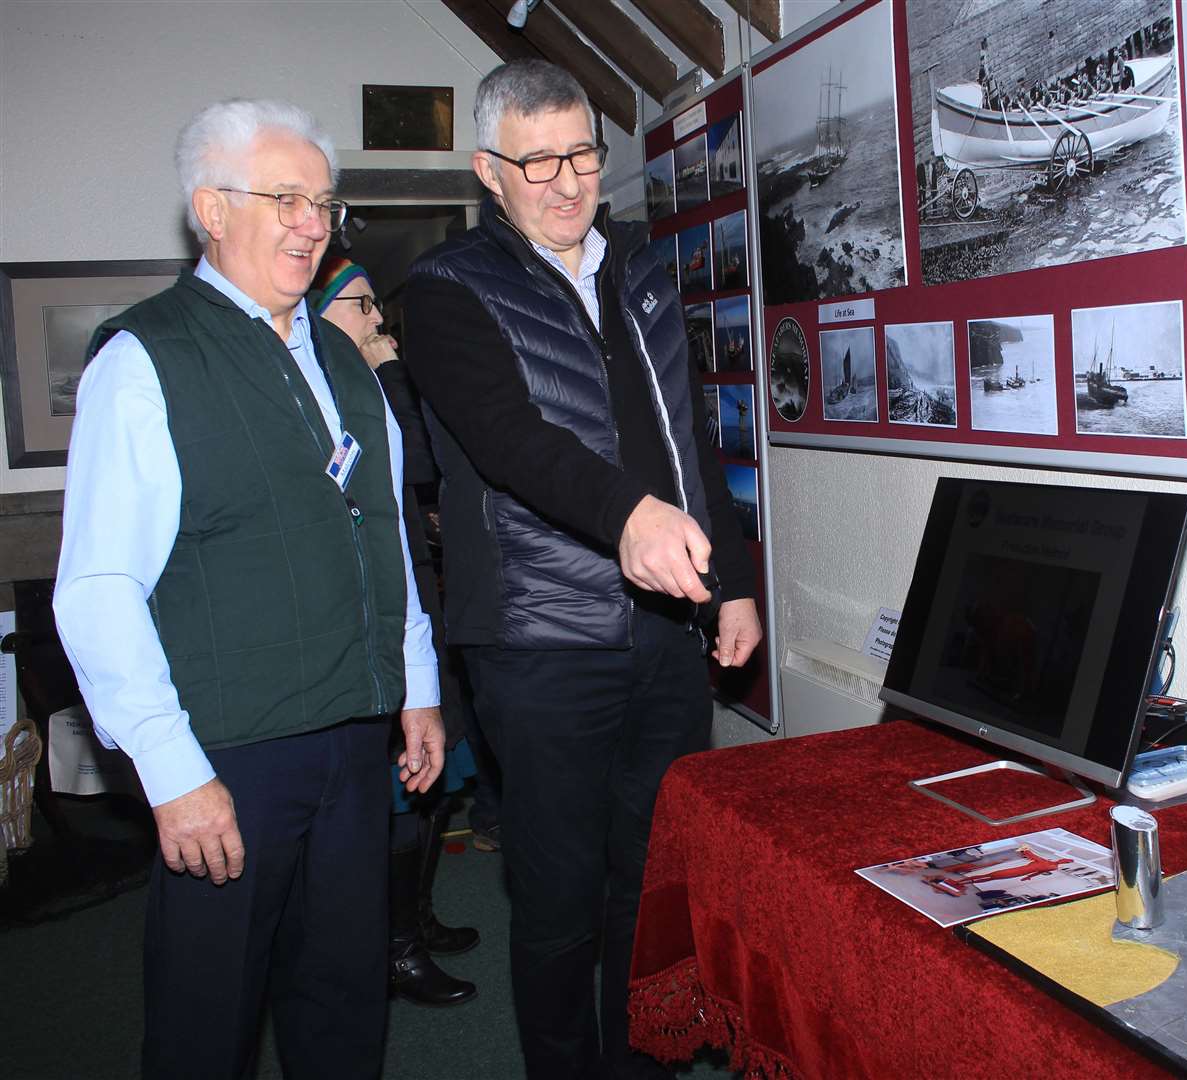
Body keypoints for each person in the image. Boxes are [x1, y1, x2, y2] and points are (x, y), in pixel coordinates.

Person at [53, 98, 444, 1079]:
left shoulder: (347, 364)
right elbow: (97, 585)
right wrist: (171, 770)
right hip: (227, 757)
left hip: (353, 742)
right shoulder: (147, 359)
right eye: (286, 198)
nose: (313, 222)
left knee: (344, 996)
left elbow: (383, 537)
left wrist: (419, 685)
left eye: (323, 202)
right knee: (207, 1016)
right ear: (211, 209)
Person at [401, 59, 761, 1078]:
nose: (566, 183)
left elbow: (689, 439)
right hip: (538, 636)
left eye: (583, 156)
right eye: (538, 161)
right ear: (488, 169)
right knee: (559, 900)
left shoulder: (642, 272)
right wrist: (628, 516)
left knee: (646, 883)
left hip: (664, 627)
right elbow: (508, 439)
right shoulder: (445, 290)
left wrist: (730, 577)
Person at [312, 256, 480, 1007]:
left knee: (436, 778)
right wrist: (387, 368)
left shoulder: (364, 380)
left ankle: (413, 918)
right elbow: (413, 455)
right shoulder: (322, 394)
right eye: (360, 308)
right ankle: (394, 948)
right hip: (363, 623)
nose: (378, 322)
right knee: (398, 786)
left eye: (379, 307)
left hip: (417, 606)